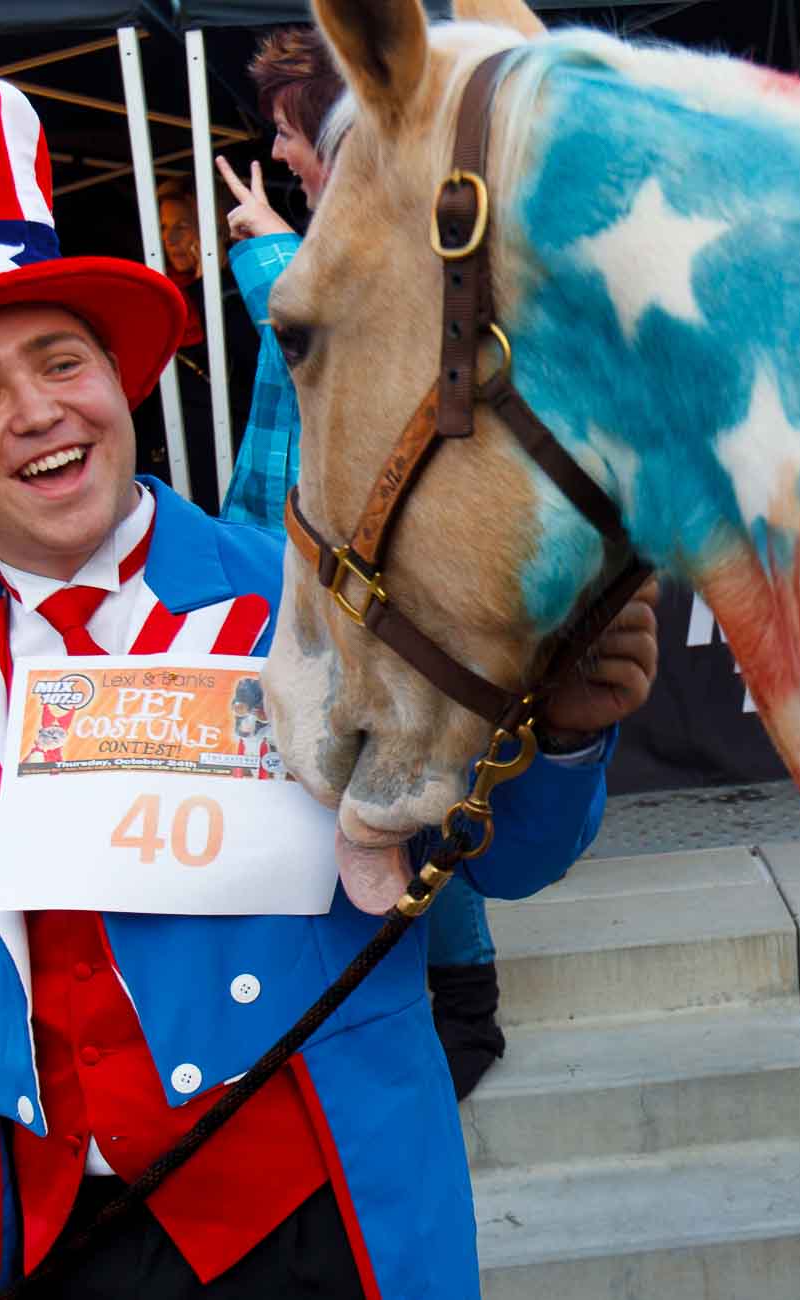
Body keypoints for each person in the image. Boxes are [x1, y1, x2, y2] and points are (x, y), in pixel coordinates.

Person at [0, 74, 657, 1298]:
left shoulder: (321, 601)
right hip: (61, 1248)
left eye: (59, 359)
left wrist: (558, 737)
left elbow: (502, 865)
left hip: (320, 1234)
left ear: (122, 376)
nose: (38, 411)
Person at [216, 26, 512, 1099]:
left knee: (416, 770)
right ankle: (423, 988)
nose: (285, 154)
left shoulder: (403, 224)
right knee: (375, 770)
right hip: (307, 540)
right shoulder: (352, 216)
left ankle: (459, 999)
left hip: (379, 559)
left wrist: (260, 249)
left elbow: (344, 335)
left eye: (294, 132)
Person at [129, 177, 259, 515]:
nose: (169, 238)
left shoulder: (233, 292)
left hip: (230, 452)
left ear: (208, 228)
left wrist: (208, 283)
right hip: (175, 457)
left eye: (182, 226)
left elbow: (247, 367)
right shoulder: (160, 296)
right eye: (163, 226)